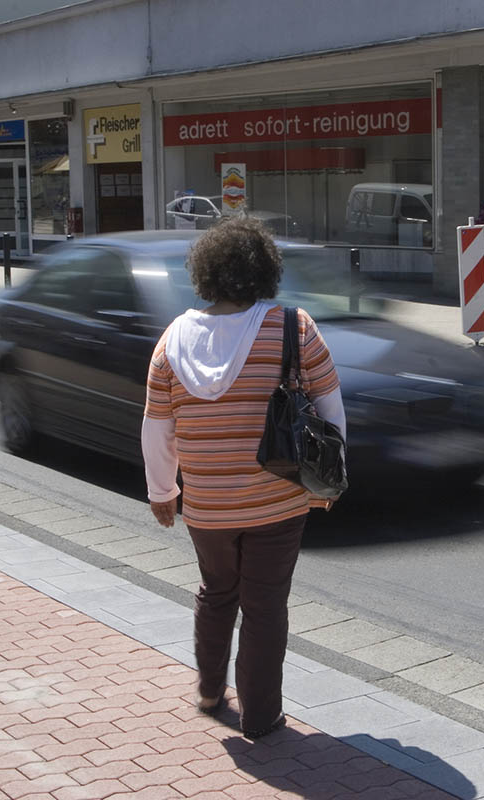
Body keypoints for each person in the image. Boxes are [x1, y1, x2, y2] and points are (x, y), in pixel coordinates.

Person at [142, 216, 345, 740]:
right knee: (264, 605)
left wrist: (163, 492)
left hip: (206, 507)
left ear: (204, 273)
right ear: (265, 272)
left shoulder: (172, 340)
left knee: (216, 592)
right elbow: (330, 409)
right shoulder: (293, 328)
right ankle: (261, 714)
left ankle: (210, 690)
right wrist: (329, 482)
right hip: (277, 500)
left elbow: (157, 428)